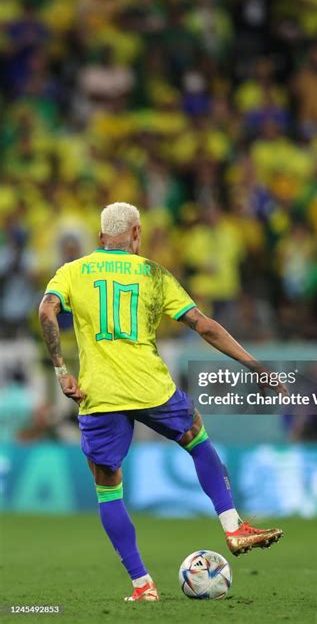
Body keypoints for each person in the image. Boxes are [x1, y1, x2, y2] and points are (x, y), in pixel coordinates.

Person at [38, 202, 284, 603]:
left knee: (107, 486)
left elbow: (47, 310)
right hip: (151, 386)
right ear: (136, 233)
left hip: (99, 394)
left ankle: (143, 585)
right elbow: (204, 325)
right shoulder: (153, 273)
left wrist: (61, 370)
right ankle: (232, 525)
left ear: (100, 238)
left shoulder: (72, 271)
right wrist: (254, 365)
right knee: (195, 437)